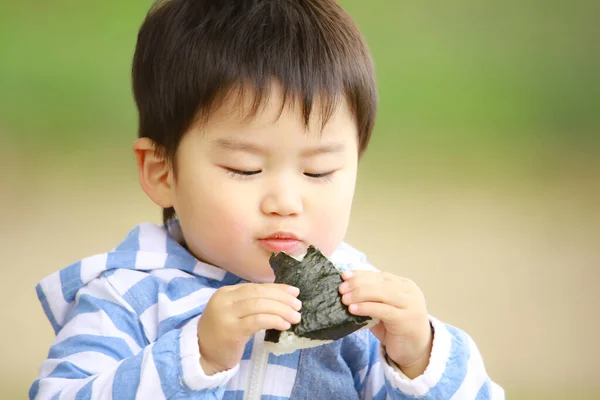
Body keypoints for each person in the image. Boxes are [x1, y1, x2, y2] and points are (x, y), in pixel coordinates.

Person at [30, 1, 504, 398]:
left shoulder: (361, 312)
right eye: (245, 169)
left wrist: (420, 355)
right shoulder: (129, 298)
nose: (284, 201)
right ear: (162, 172)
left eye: (318, 171)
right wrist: (194, 356)